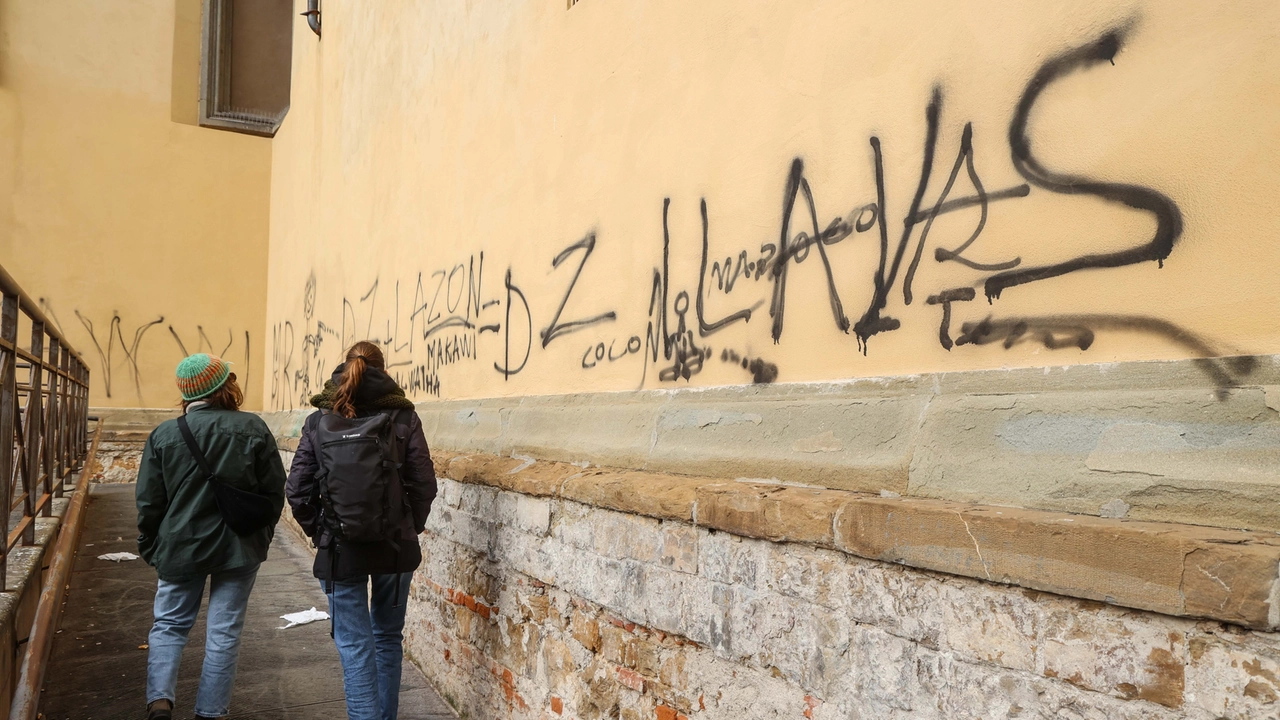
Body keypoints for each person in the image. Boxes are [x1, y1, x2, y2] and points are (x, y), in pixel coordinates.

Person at [286, 341, 436, 720]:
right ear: (382, 370)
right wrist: (409, 526)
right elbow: (423, 484)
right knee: (387, 637)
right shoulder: (404, 416)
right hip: (396, 546)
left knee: (354, 646)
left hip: (340, 550)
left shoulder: (319, 419)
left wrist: (322, 532)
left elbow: (298, 489)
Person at [136, 354, 287, 720]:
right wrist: (261, 538)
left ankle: (160, 702)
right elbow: (274, 491)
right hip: (239, 546)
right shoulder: (253, 428)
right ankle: (210, 712)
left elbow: (149, 501)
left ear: (187, 394)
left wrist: (151, 546)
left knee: (169, 624)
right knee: (224, 632)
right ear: (225, 386)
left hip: (179, 545)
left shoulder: (165, 435)